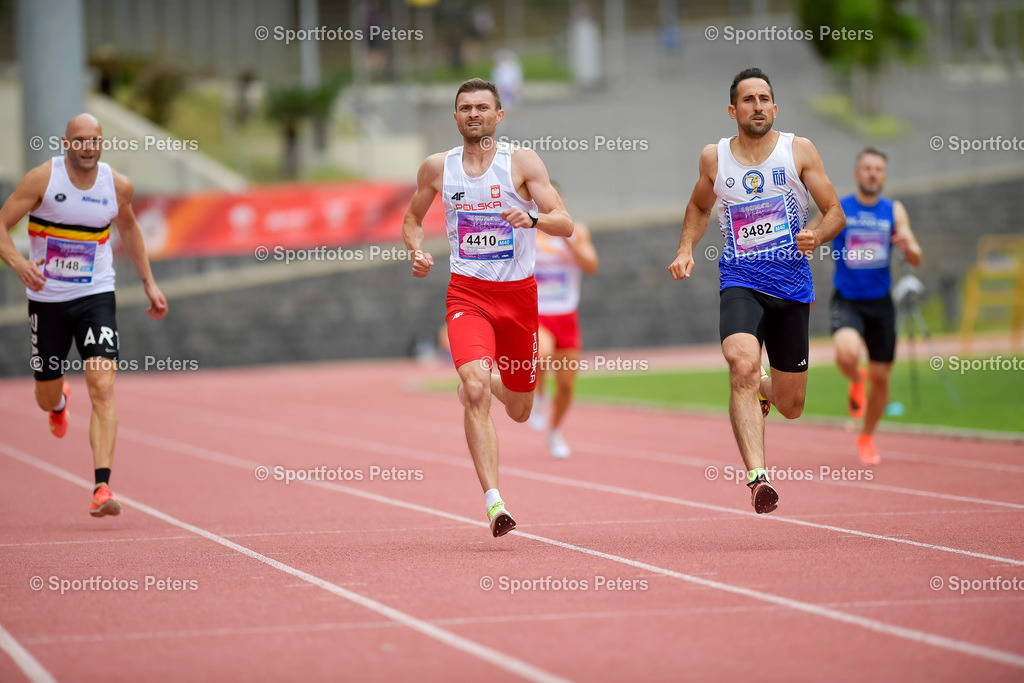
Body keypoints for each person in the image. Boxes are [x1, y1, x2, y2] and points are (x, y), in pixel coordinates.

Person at [668, 68, 845, 514]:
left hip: (791, 286)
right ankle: (758, 477)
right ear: (733, 110)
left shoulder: (797, 150)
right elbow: (698, 204)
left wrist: (817, 236)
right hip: (741, 280)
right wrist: (687, 247)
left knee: (791, 405)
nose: (758, 106)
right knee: (742, 364)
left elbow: (835, 212)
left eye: (765, 98)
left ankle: (768, 390)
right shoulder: (715, 158)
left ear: (775, 107)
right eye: (748, 100)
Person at [402, 79, 572, 537]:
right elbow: (413, 218)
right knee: (475, 388)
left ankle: (483, 381)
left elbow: (566, 223)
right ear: (455, 117)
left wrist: (533, 217)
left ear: (499, 116)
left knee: (519, 408)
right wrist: (415, 250)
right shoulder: (438, 168)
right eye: (464, 108)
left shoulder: (521, 163)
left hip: (518, 298)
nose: (473, 114)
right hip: (467, 295)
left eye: (482, 107)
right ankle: (495, 502)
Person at [0, 113, 168, 517]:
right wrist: (21, 264)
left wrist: (148, 281)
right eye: (80, 140)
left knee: (102, 384)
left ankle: (102, 486)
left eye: (95, 140)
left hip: (96, 294)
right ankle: (58, 405)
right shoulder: (43, 179)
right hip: (48, 299)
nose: (88, 147)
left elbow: (129, 230)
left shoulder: (118, 185)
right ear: (65, 142)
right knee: (45, 396)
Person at [830, 147, 922, 464]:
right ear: (857, 173)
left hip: (881, 304)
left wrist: (909, 247)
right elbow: (811, 238)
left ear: (883, 175)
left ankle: (866, 436)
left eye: (878, 169)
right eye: (867, 168)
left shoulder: (894, 210)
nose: (872, 174)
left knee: (882, 378)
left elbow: (916, 256)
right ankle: (857, 379)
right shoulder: (839, 207)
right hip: (847, 299)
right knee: (846, 353)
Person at [529, 183, 598, 458]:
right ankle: (539, 395)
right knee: (542, 353)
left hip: (567, 315)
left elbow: (591, 266)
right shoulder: (525, 232)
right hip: (537, 314)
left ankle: (554, 432)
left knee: (568, 386)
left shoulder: (576, 232)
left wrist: (567, 240)